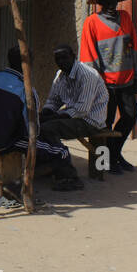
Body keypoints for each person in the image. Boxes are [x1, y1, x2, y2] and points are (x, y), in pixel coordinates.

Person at [0, 48, 75, 194]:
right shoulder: (26, 90)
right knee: (61, 151)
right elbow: (31, 131)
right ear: (29, 64)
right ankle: (65, 179)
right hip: (4, 142)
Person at [80, 0, 137, 172]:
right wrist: (96, 82)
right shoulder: (91, 22)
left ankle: (115, 154)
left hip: (127, 79)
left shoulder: (125, 17)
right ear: (100, 3)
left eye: (114, 0)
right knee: (105, 123)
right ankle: (104, 162)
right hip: (104, 82)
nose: (111, 4)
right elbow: (88, 55)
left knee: (130, 116)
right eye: (107, 1)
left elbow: (135, 46)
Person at [37, 43, 109, 185]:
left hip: (90, 120)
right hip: (73, 116)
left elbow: (82, 109)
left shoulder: (87, 75)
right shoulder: (60, 75)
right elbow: (53, 100)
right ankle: (48, 166)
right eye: (58, 59)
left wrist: (53, 117)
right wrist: (44, 113)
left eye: (65, 58)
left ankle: (68, 174)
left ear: (73, 57)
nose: (61, 62)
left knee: (48, 129)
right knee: (37, 124)